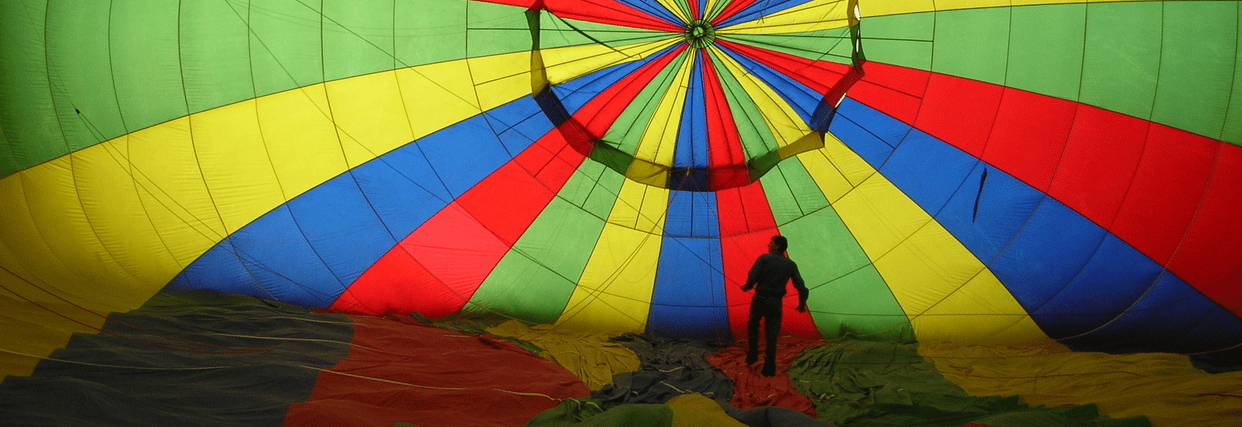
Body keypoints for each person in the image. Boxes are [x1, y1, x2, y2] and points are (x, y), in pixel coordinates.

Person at [741, 235, 809, 377]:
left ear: (777, 246)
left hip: (760, 299)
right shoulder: (791, 264)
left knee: (753, 324)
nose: (768, 245)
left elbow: (753, 276)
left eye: (771, 243)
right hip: (775, 302)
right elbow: (801, 287)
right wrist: (801, 304)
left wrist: (747, 286)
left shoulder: (764, 259)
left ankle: (752, 354)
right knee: (772, 334)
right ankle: (769, 366)